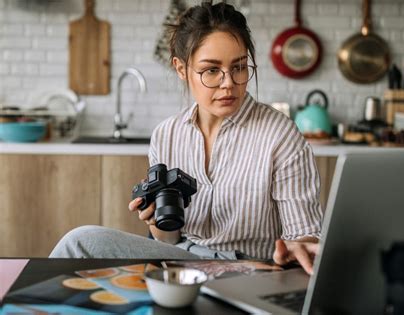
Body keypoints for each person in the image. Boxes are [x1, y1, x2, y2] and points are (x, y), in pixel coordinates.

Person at [50, 2, 323, 275]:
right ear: (181, 69)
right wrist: (156, 220)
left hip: (249, 269)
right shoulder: (166, 135)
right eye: (212, 70)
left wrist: (299, 246)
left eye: (239, 67)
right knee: (80, 242)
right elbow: (169, 239)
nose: (228, 83)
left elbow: (304, 237)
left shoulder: (281, 136)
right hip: (181, 261)